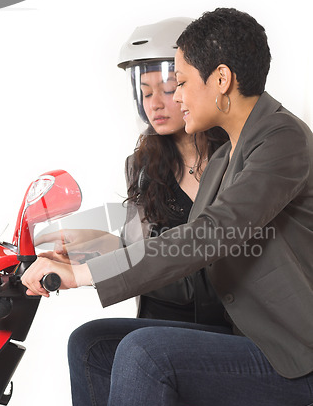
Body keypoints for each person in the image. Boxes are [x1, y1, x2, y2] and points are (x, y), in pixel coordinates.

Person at [22, 7, 313, 406]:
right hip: (246, 341)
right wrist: (81, 251)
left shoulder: (282, 139)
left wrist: (83, 273)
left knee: (146, 353)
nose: (172, 97)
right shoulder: (226, 159)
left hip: (292, 361)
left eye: (179, 81)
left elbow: (207, 237)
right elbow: (174, 246)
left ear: (221, 79)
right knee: (92, 344)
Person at [36, 17, 228, 324]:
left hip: (222, 319)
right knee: (87, 341)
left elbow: (209, 263)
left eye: (167, 89)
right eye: (145, 92)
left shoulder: (236, 158)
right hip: (159, 315)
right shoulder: (142, 165)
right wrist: (96, 242)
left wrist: (91, 267)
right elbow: (140, 248)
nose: (155, 105)